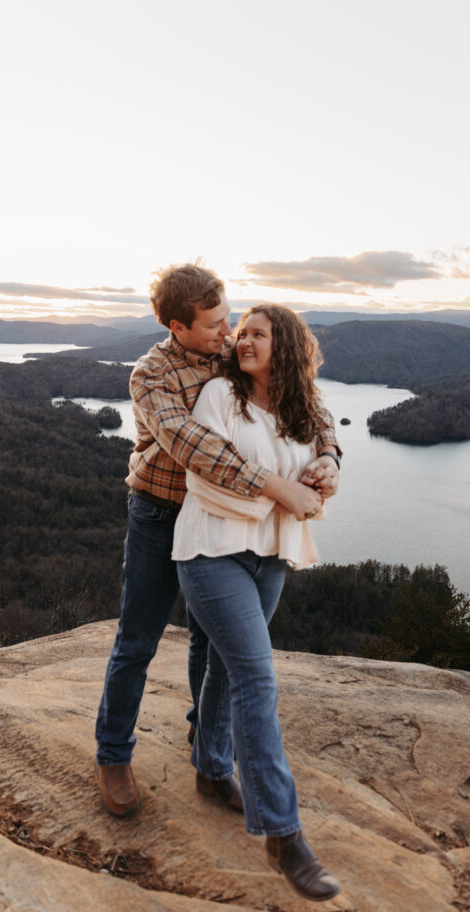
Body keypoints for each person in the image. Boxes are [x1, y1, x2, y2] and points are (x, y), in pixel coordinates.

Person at [95, 265, 341, 818]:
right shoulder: (152, 375)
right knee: (139, 640)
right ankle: (113, 753)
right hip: (162, 515)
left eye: (230, 320)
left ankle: (206, 746)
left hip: (225, 523)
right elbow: (196, 448)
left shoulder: (226, 351)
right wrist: (277, 486)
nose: (227, 332)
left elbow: (297, 393)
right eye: (215, 324)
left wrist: (328, 452)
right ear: (179, 327)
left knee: (213, 648)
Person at [174, 305, 341, 902]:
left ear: (287, 346)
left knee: (226, 665)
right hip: (212, 550)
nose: (243, 340)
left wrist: (327, 468)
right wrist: (285, 495)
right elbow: (204, 472)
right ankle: (283, 835)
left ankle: (212, 770)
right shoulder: (220, 395)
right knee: (255, 674)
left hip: (269, 556)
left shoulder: (304, 407)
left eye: (257, 334)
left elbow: (327, 454)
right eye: (240, 333)